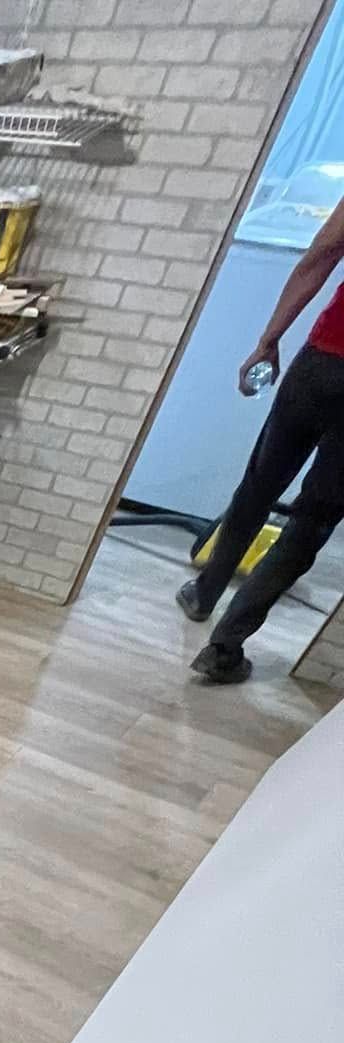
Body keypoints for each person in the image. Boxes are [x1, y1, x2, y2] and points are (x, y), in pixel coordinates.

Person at [179, 194, 344, 683]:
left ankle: (205, 592)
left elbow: (321, 255)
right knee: (312, 521)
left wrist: (269, 339)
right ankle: (224, 647)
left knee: (260, 483)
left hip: (321, 363)